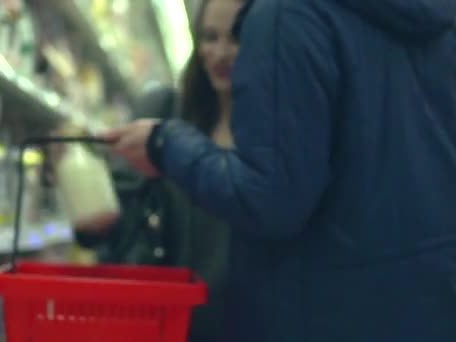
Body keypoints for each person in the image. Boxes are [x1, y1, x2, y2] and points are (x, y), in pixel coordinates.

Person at [103, 0, 456, 341]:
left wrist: (165, 144)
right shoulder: (438, 18)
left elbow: (271, 200)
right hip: (431, 305)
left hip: (325, 315)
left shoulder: (287, 16)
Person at [77, 1, 244, 341]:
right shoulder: (166, 116)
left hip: (243, 318)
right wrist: (85, 193)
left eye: (236, 37)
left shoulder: (277, 134)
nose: (221, 53)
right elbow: (112, 220)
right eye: (210, 38)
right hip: (165, 318)